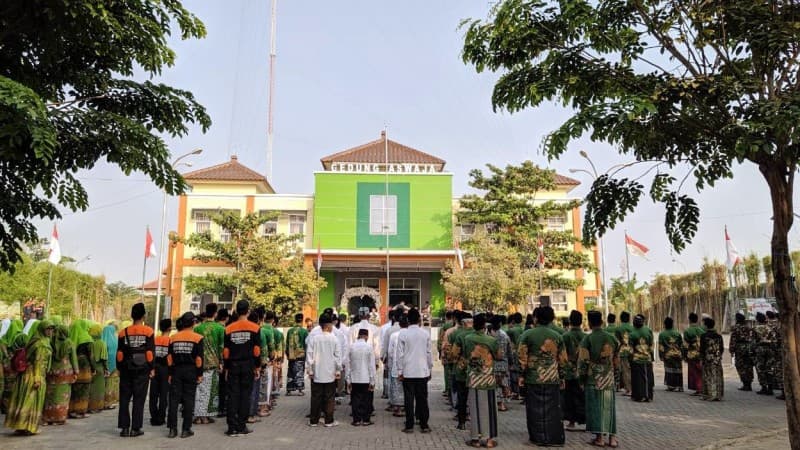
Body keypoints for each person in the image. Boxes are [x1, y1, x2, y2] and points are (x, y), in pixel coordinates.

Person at [518, 306, 567, 447]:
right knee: (553, 409)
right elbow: (563, 359)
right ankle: (554, 438)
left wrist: (522, 375)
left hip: (533, 378)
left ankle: (537, 438)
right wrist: (562, 376)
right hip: (552, 378)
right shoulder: (557, 336)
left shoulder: (527, 335)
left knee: (534, 409)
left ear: (536, 318)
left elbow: (522, 357)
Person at [4, 319, 54, 435]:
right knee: (31, 401)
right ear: (42, 329)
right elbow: (38, 362)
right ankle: (28, 427)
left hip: (26, 375)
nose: (50, 331)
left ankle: (20, 425)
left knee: (23, 400)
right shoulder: (41, 344)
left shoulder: (35, 340)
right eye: (48, 328)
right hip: (34, 375)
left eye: (52, 329)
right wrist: (37, 379)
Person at [579, 310, 620, 448]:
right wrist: (616, 376)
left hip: (593, 379)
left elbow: (583, 362)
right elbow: (616, 360)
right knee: (609, 408)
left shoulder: (587, 339)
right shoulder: (612, 338)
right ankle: (613, 438)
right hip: (608, 378)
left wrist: (581, 379)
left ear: (590, 323)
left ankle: (599, 439)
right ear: (602, 322)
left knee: (596, 409)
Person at [117, 302, 156, 438]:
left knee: (124, 398)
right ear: (144, 316)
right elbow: (150, 353)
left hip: (126, 369)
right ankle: (135, 428)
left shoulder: (123, 332)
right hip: (142, 369)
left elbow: (120, 354)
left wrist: (119, 369)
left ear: (132, 316)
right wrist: (152, 368)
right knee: (139, 399)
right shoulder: (149, 332)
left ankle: (124, 428)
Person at [223, 300, 261, 437]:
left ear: (236, 311)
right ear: (248, 311)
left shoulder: (228, 328)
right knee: (245, 395)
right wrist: (257, 367)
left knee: (233, 396)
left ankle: (231, 427)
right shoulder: (255, 328)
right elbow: (257, 351)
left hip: (233, 365)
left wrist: (226, 368)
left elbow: (226, 352)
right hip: (248, 365)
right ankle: (241, 425)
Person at [463, 313, 499, 447]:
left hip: (473, 377)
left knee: (474, 407)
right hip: (488, 378)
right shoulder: (491, 340)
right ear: (484, 325)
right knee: (489, 408)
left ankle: (475, 439)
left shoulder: (467, 338)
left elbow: (466, 354)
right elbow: (499, 355)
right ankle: (488, 440)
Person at [167, 312, 204, 438]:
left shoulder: (173, 338)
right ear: (193, 322)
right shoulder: (198, 338)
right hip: (191, 371)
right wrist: (199, 374)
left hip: (176, 370)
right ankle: (186, 429)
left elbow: (170, 358)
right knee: (189, 400)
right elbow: (199, 359)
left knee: (173, 400)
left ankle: (172, 429)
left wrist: (170, 373)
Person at [397, 308, 432, 434]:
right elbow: (429, 354)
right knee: (422, 398)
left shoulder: (403, 334)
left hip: (408, 371)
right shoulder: (425, 333)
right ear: (419, 319)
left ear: (407, 320)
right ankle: (424, 424)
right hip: (422, 371)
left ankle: (409, 425)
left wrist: (400, 371)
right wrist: (430, 368)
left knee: (408, 399)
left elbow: (399, 355)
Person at [306, 313, 341, 427]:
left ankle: (314, 421)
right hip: (330, 373)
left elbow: (309, 355)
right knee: (329, 397)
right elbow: (337, 357)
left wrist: (310, 371)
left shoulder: (314, 339)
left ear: (320, 325)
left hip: (316, 373)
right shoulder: (334, 339)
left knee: (316, 397)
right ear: (329, 325)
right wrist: (338, 371)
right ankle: (329, 420)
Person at [194, 303, 224, 424]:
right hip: (212, 363)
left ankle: (198, 415)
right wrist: (221, 363)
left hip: (199, 364)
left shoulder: (197, 328)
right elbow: (222, 348)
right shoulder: (220, 329)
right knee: (210, 390)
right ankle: (204, 415)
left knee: (199, 390)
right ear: (215, 313)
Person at [43, 323, 78, 425]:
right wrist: (76, 372)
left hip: (52, 372)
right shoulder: (69, 343)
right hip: (65, 372)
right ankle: (59, 418)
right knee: (63, 395)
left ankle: (49, 417)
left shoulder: (50, 342)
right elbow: (74, 359)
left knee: (51, 395)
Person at [562, 310, 587, 431]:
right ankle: (585, 421)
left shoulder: (565, 336)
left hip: (569, 371)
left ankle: (571, 422)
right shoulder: (586, 337)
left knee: (570, 397)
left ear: (570, 321)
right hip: (582, 371)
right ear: (581, 322)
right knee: (582, 396)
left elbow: (562, 355)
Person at [449, 313, 474, 430]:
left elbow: (454, 353)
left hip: (461, 369)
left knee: (462, 396)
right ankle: (475, 421)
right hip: (476, 371)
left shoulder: (457, 334)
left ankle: (461, 422)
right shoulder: (480, 335)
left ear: (463, 323)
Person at [347, 328, 376, 426]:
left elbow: (348, 364)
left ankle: (356, 420)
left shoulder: (351, 347)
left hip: (354, 377)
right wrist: (373, 381)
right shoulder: (369, 347)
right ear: (366, 336)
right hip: (366, 377)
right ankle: (366, 420)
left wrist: (348, 380)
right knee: (367, 399)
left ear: (358, 336)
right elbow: (371, 366)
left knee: (355, 399)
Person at [67, 319, 94, 418]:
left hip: (73, 367)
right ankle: (80, 411)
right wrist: (93, 368)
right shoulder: (87, 338)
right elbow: (91, 357)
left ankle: (71, 410)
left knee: (74, 389)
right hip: (84, 368)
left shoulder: (69, 338)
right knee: (84, 390)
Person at [150, 318, 171, 426]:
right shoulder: (170, 341)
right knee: (163, 394)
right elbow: (171, 358)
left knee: (153, 394)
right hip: (166, 369)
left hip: (154, 367)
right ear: (170, 328)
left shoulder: (154, 340)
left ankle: (154, 417)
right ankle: (161, 417)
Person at [488, 315, 511, 412]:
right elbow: (509, 350)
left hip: (492, 363)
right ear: (500, 324)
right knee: (504, 384)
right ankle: (502, 404)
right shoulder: (504, 335)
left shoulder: (488, 335)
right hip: (503, 363)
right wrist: (511, 362)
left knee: (495, 384)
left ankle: (496, 403)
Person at [629, 315, 654, 402]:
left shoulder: (632, 334)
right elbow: (651, 345)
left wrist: (630, 360)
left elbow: (631, 350)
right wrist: (652, 357)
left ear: (634, 323)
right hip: (647, 359)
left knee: (637, 379)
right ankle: (648, 396)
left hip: (637, 360)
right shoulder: (648, 331)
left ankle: (639, 396)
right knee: (648, 378)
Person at [1, 319, 23, 414]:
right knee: (12, 386)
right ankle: (9, 407)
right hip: (13, 364)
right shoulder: (18, 338)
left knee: (6, 385)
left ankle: (4, 406)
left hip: (5, 364)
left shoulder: (3, 339)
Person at [387, 313, 408, 417]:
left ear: (399, 324)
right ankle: (406, 407)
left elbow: (390, 352)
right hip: (408, 367)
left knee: (396, 387)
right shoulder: (410, 335)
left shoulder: (394, 335)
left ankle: (397, 408)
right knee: (407, 388)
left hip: (396, 365)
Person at [699, 317, 724, 401]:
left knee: (708, 376)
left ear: (706, 325)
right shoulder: (719, 336)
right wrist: (718, 356)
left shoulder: (704, 336)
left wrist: (701, 359)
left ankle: (709, 394)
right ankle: (718, 395)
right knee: (717, 376)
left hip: (708, 359)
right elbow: (721, 348)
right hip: (717, 359)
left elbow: (702, 349)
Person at [285, 313, 309, 396]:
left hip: (291, 354)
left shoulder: (290, 331)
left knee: (291, 371)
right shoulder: (304, 331)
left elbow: (287, 343)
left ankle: (289, 390)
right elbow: (306, 344)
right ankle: (300, 390)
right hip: (301, 355)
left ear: (295, 320)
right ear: (302, 320)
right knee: (300, 371)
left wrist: (287, 354)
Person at [658, 317, 684, 392]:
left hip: (668, 355)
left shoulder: (662, 334)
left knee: (669, 370)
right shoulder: (677, 333)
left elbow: (661, 347)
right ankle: (680, 386)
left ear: (664, 325)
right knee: (678, 369)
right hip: (677, 354)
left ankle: (671, 386)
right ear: (672, 324)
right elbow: (681, 345)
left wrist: (661, 356)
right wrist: (682, 354)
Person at [88, 322, 108, 413]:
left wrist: (92, 367)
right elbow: (104, 358)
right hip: (100, 368)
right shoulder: (102, 343)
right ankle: (98, 407)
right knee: (99, 389)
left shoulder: (91, 343)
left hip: (92, 368)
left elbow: (91, 357)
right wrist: (106, 369)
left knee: (92, 388)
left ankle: (91, 406)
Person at [683, 312, 704, 396]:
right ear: (697, 320)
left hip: (692, 354)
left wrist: (684, 356)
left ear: (690, 320)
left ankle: (698, 389)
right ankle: (702, 388)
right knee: (701, 371)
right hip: (701, 354)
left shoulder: (687, 331)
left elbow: (685, 345)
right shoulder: (702, 330)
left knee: (695, 372)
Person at [614, 312, 634, 396]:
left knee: (625, 371)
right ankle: (634, 388)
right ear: (629, 318)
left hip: (623, 352)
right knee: (632, 370)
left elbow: (617, 342)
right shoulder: (633, 328)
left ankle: (628, 390)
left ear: (621, 319)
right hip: (632, 352)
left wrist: (616, 352)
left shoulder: (618, 329)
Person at [767, 311, 785, 399]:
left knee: (780, 371)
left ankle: (784, 392)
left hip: (780, 353)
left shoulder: (777, 327)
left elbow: (773, 341)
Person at [215, 308, 230, 417]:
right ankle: (221, 408)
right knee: (222, 386)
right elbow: (223, 348)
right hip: (221, 362)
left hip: (209, 362)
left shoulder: (204, 327)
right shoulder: (224, 330)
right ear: (226, 318)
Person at [505, 313, 524, 401]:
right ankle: (520, 392)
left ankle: (516, 392)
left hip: (514, 352)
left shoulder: (511, 330)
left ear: (513, 321)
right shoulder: (523, 329)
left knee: (513, 372)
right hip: (522, 352)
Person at [102, 322, 120, 409]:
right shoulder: (116, 340)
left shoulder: (102, 340)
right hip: (115, 366)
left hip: (105, 366)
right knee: (113, 384)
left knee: (106, 384)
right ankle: (111, 401)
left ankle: (104, 402)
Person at [605, 313, 620, 391]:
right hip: (617, 351)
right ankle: (617, 385)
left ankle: (609, 384)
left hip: (608, 352)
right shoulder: (618, 329)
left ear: (607, 320)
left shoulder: (605, 330)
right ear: (615, 320)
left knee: (609, 368)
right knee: (617, 367)